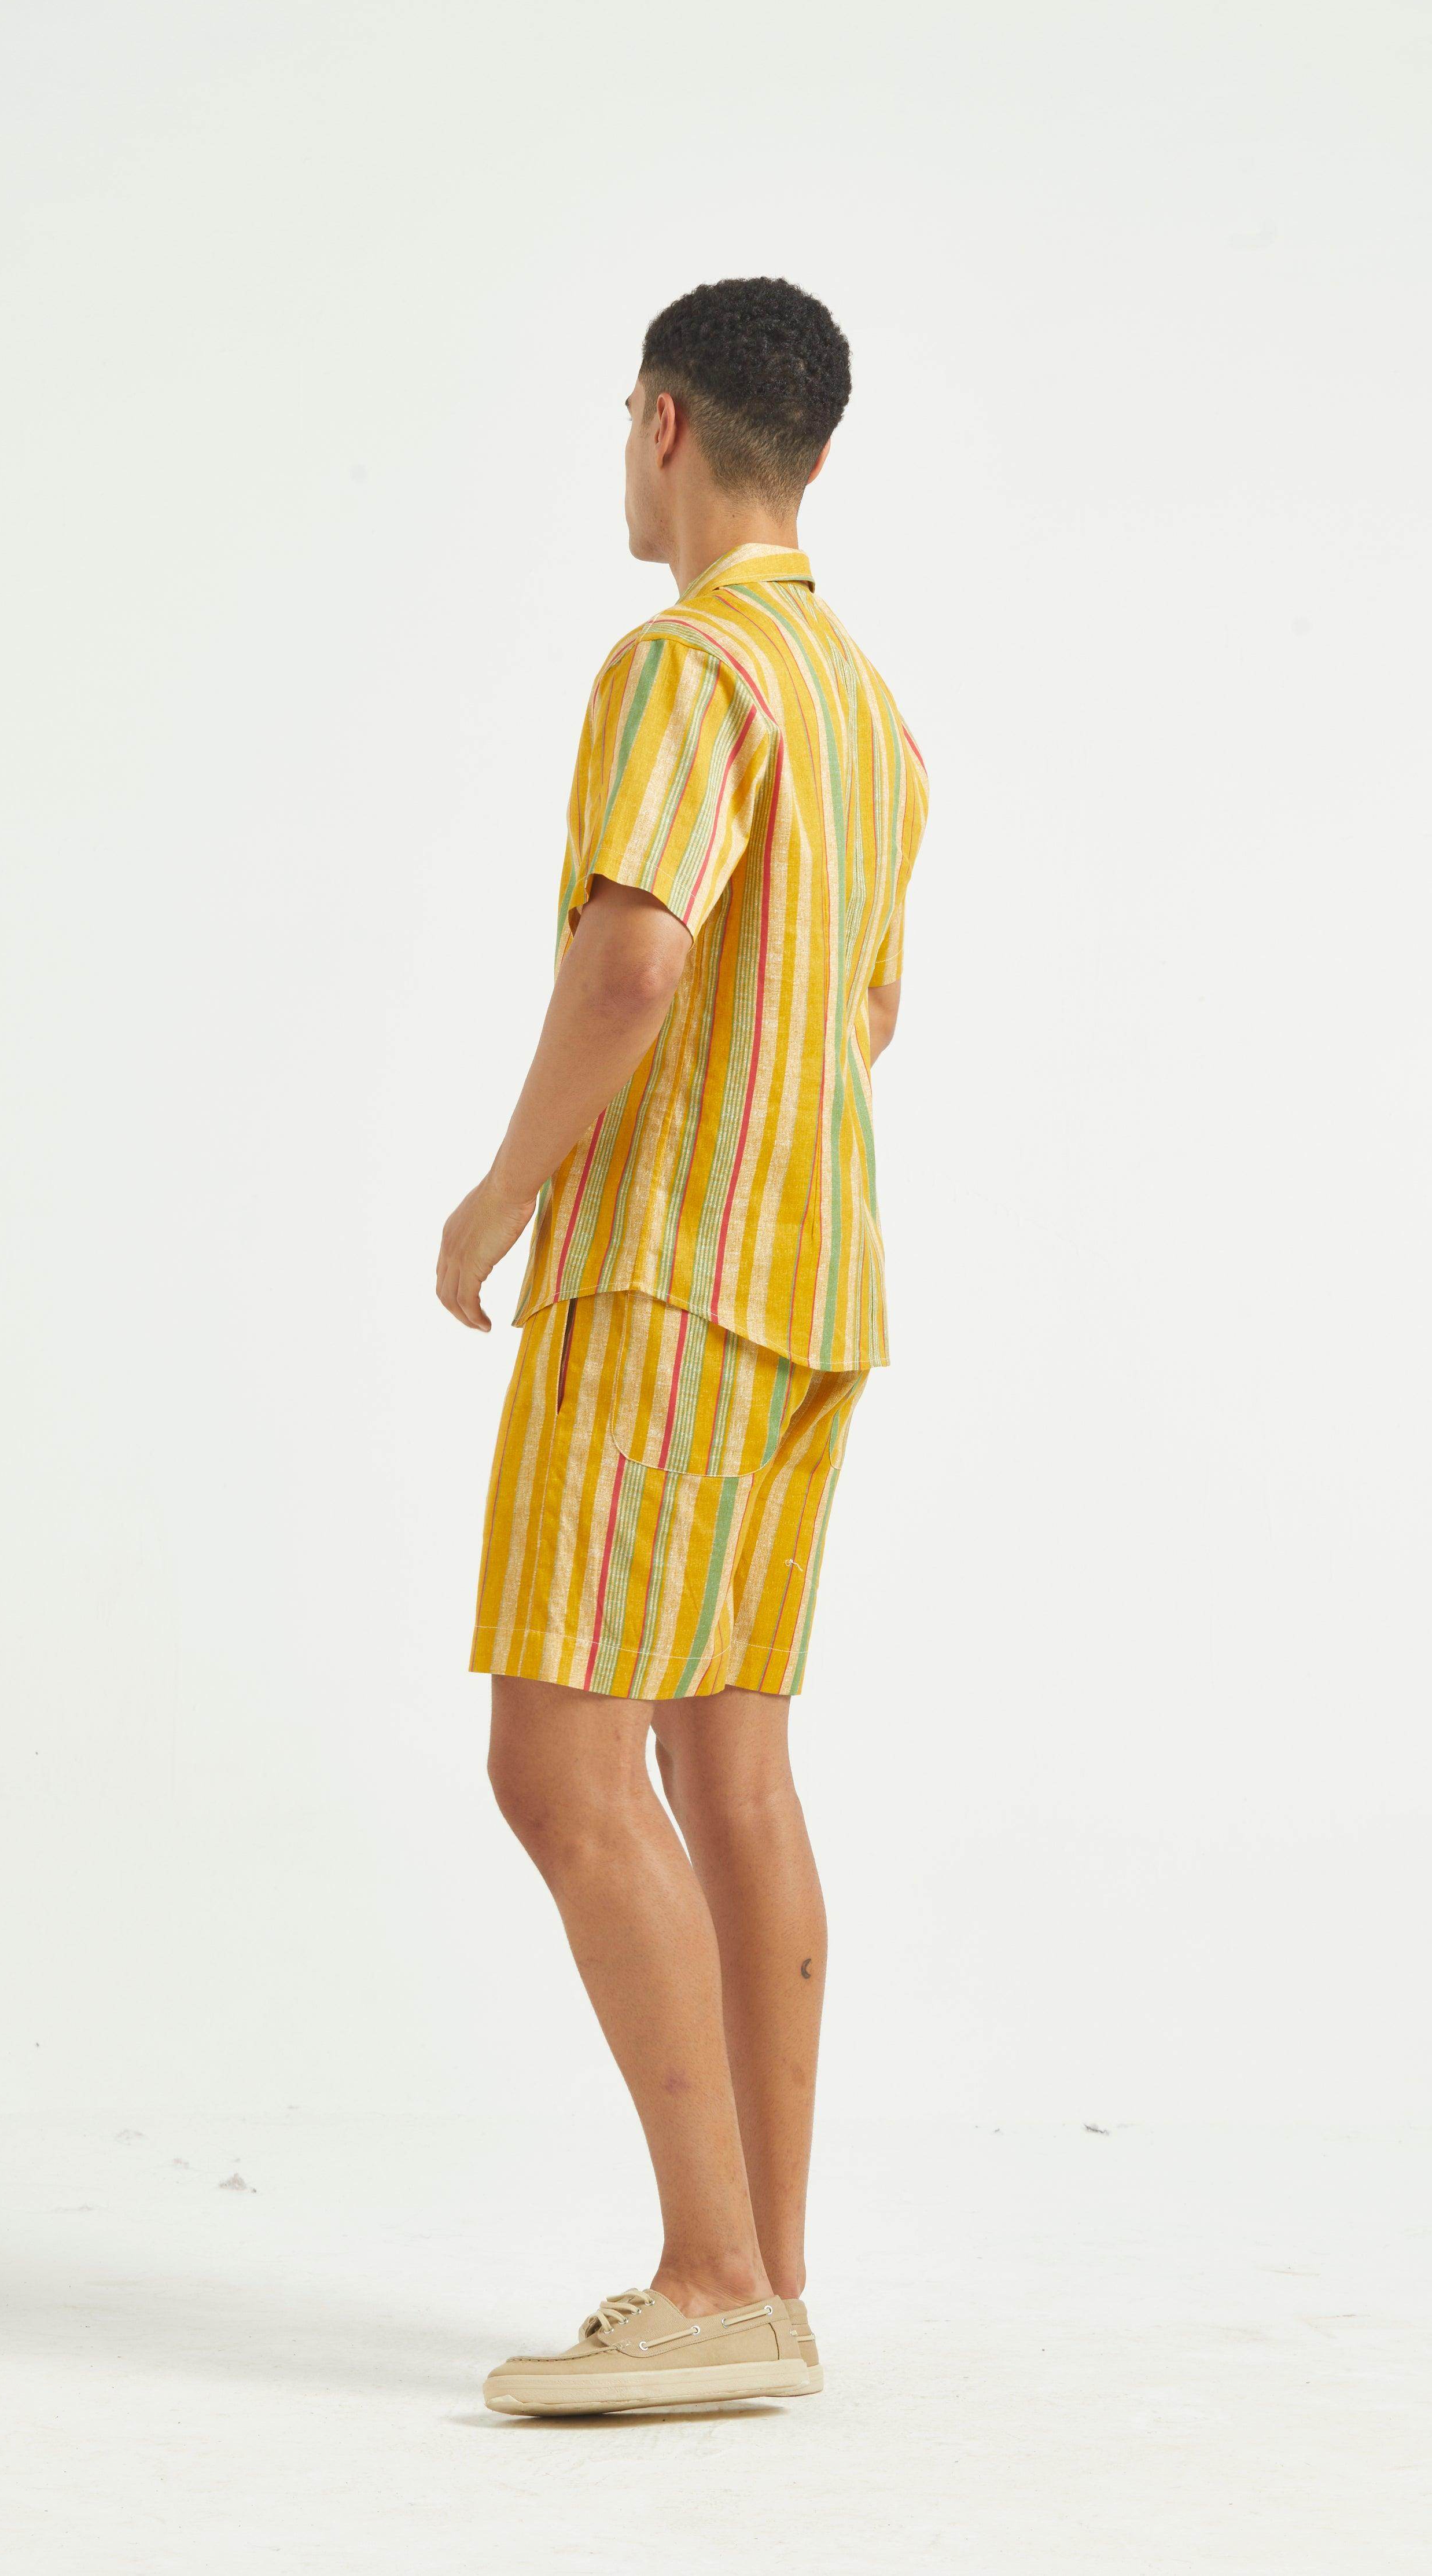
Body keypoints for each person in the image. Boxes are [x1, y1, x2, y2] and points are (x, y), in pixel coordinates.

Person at [436, 276, 928, 2417]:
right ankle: (771, 2280)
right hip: (817, 1288)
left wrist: (502, 1194)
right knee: (732, 1766)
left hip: (665, 1278)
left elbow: (633, 966)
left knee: (558, 1760)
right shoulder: (873, 718)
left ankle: (713, 2279)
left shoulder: (686, 665)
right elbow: (868, 1015)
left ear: (661, 425)